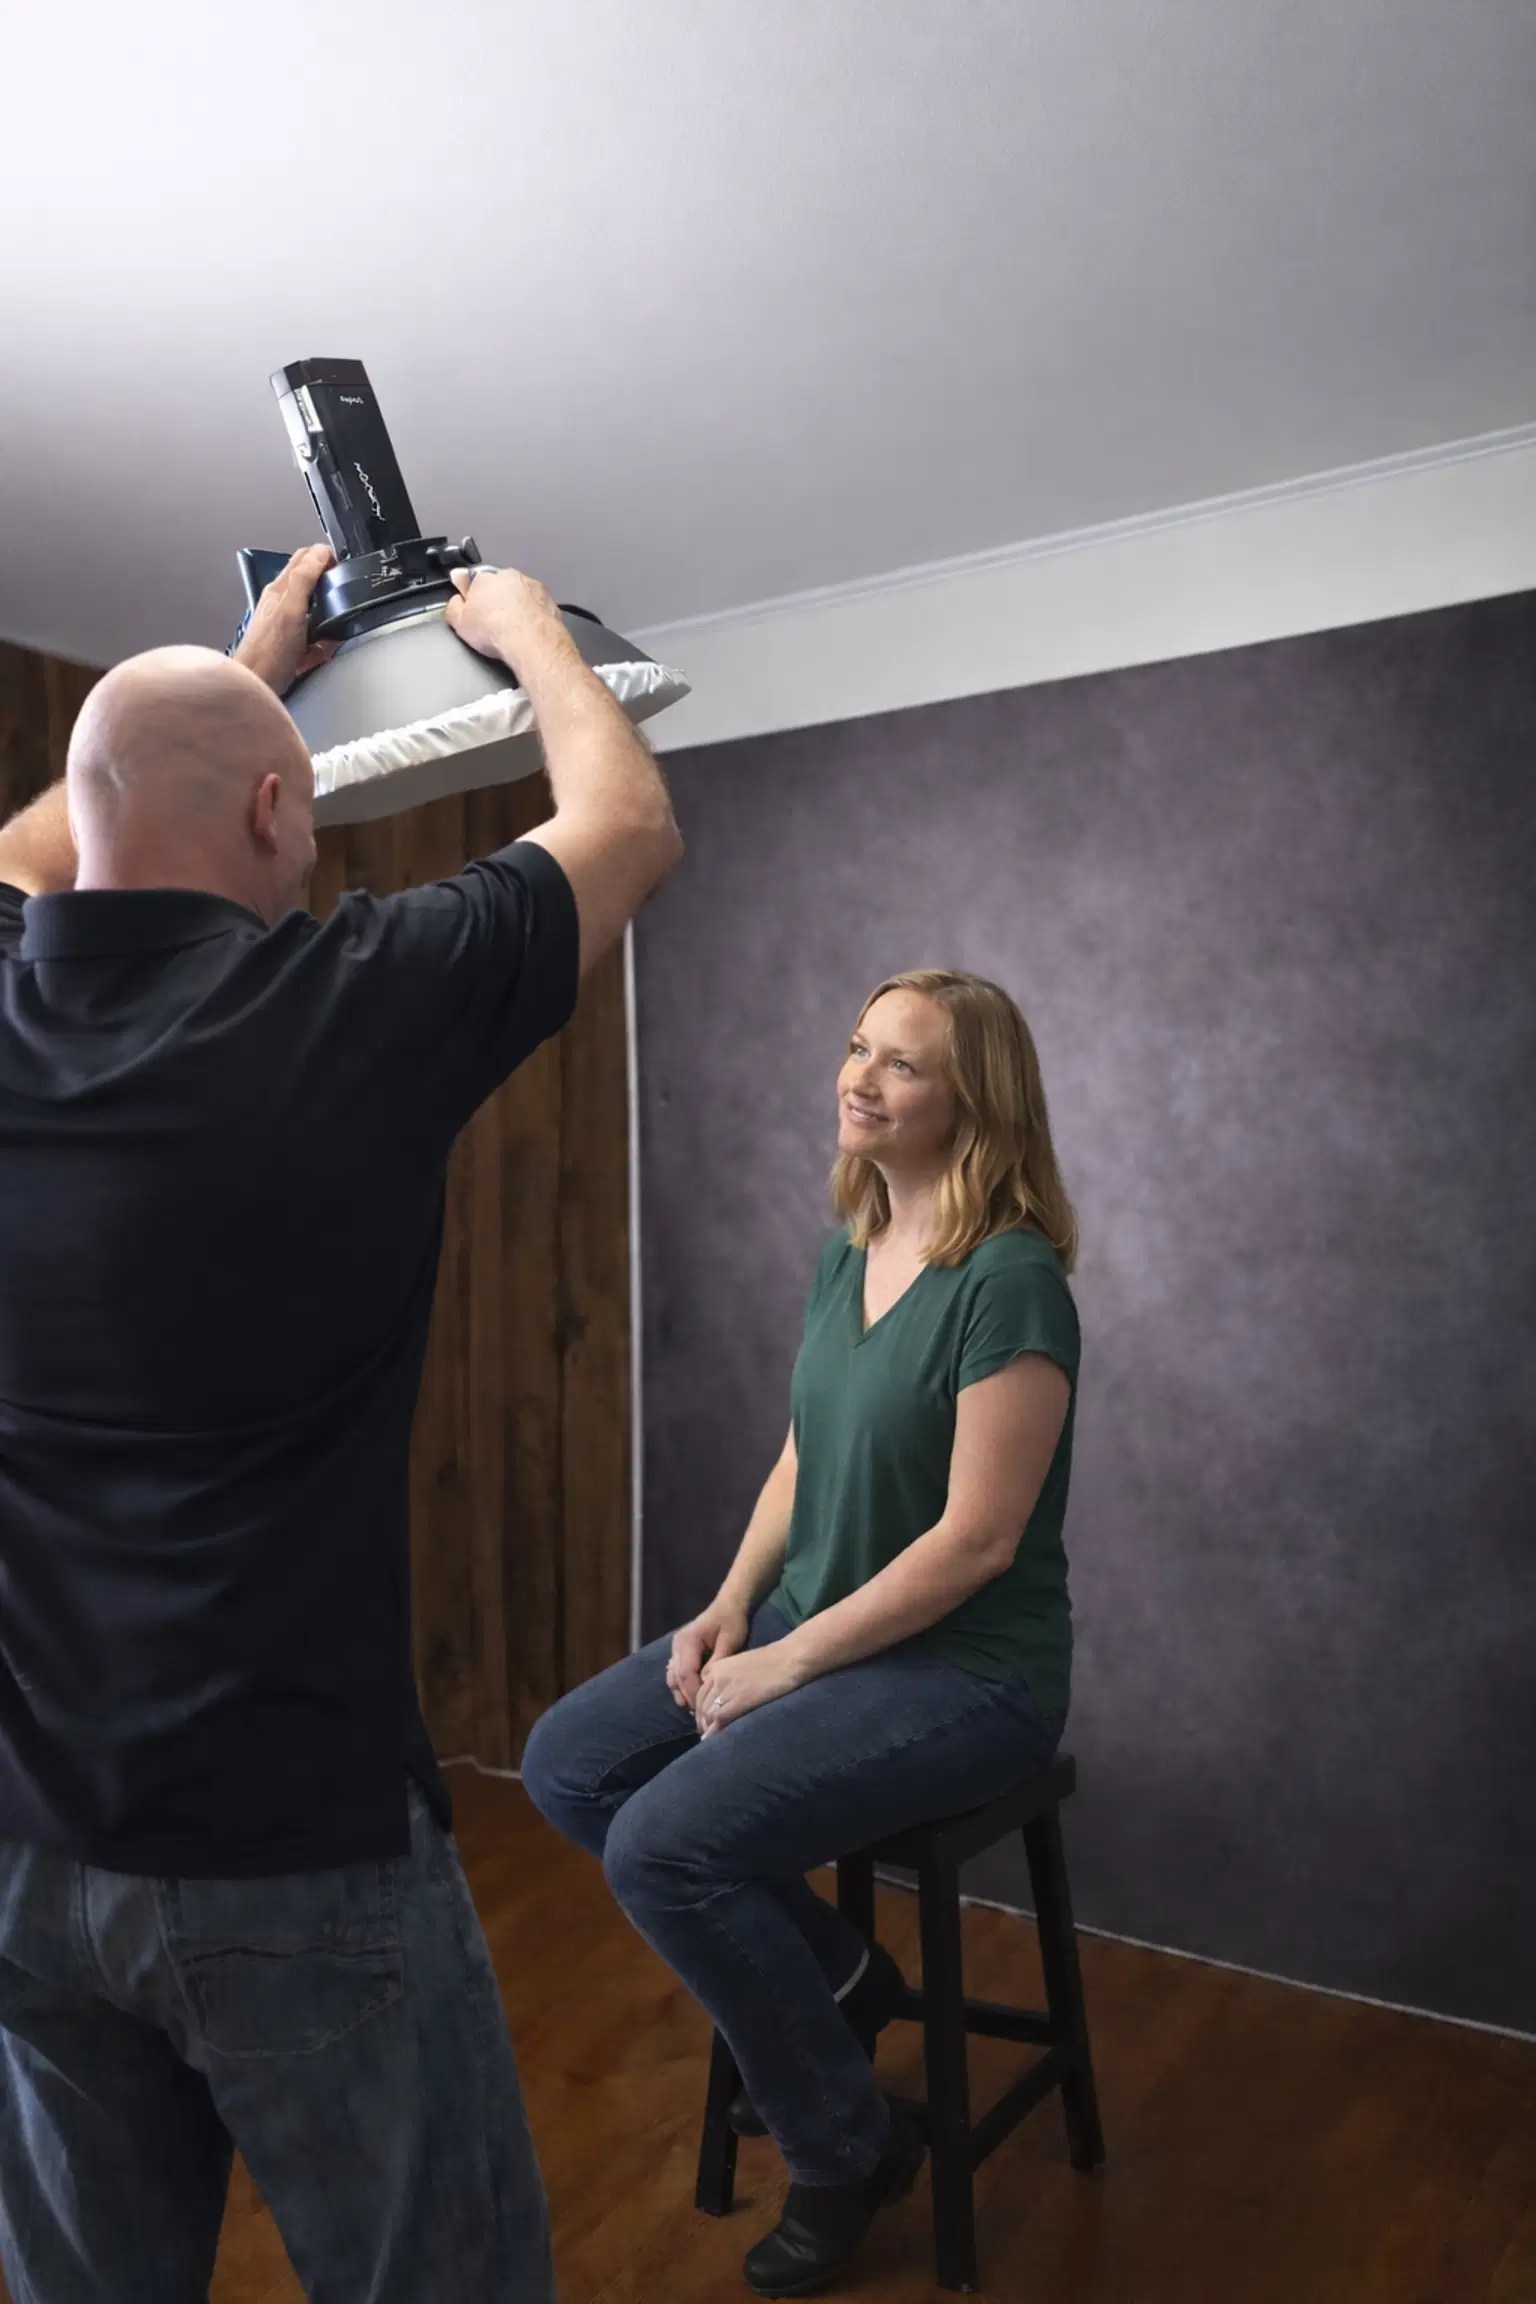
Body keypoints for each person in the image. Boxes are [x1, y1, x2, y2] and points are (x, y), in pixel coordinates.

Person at [0, 546, 681, 2304]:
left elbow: (27, 852)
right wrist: (526, 629)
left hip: (25, 1839)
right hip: (287, 1837)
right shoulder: (349, 1002)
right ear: (279, 812)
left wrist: (239, 667)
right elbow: (624, 827)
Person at [522, 967, 1081, 2297]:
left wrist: (782, 1664)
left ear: (975, 1104)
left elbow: (977, 1543)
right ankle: (836, 1981)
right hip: (809, 1621)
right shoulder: (851, 1244)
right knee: (569, 1764)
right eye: (858, 1048)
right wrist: (727, 1611)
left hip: (965, 1670)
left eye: (903, 1064)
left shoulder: (1011, 1284)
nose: (861, 1076)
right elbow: (800, 1456)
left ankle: (845, 2149)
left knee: (667, 1843)